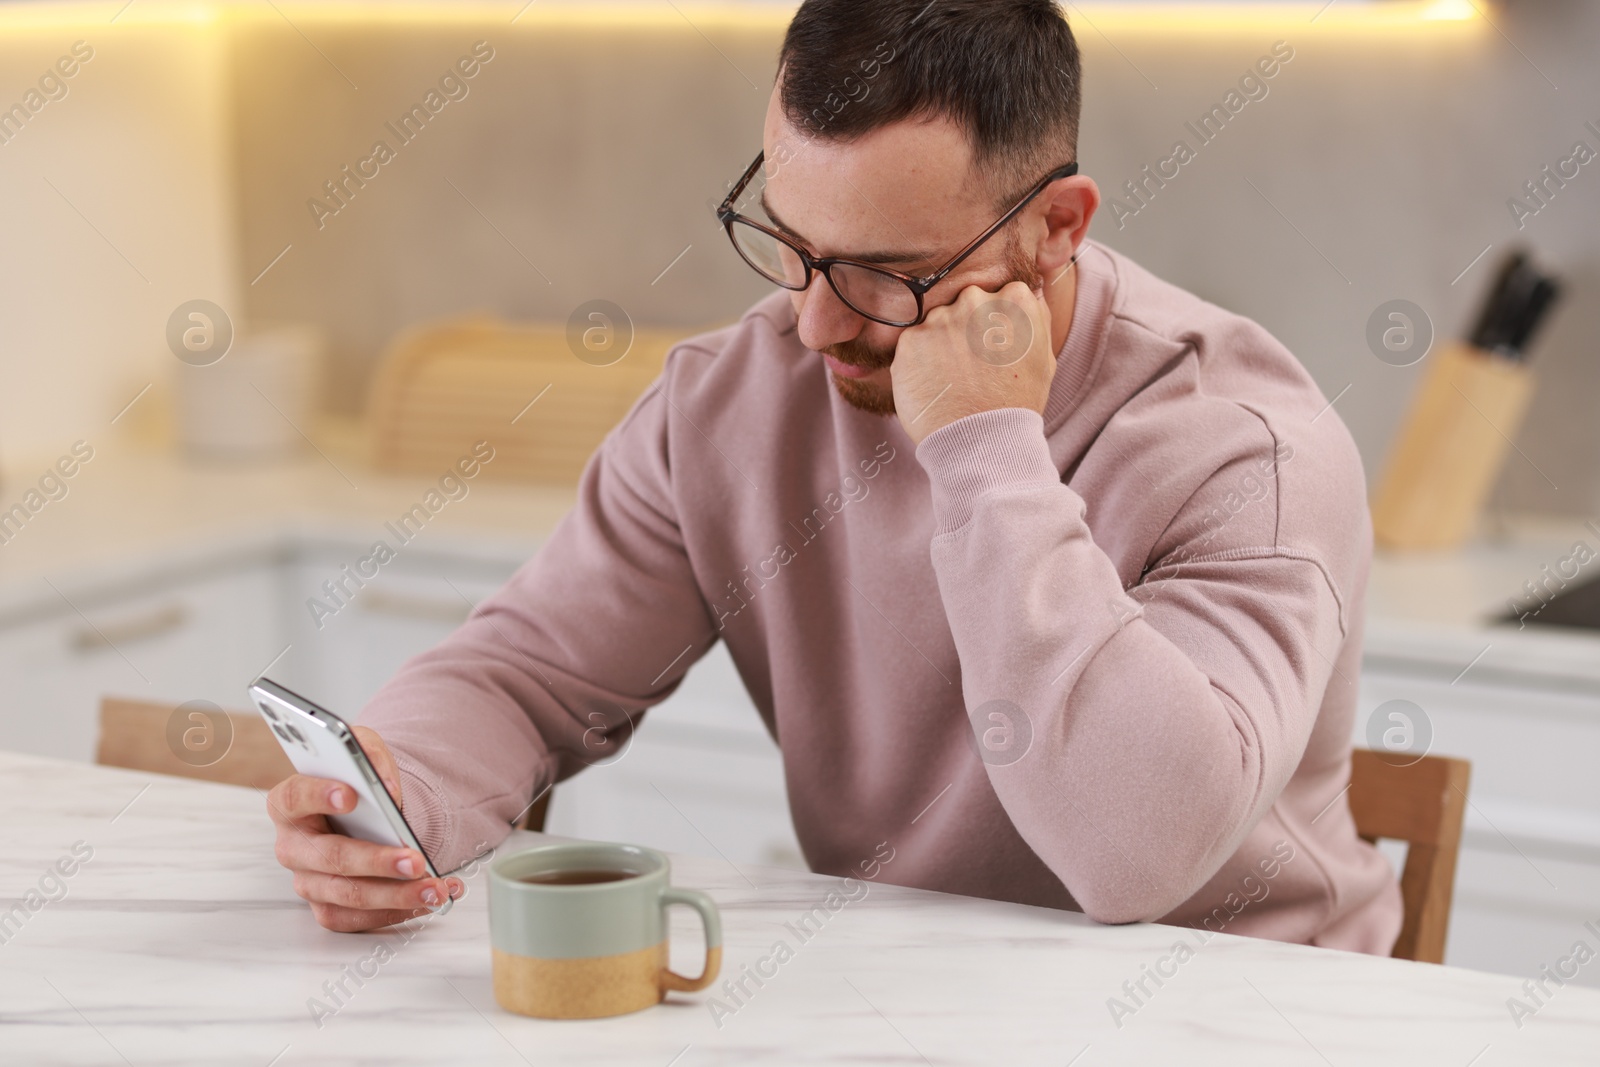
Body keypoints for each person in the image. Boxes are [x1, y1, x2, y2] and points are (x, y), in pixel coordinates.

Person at [268, 0, 1401, 952]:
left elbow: (1133, 857)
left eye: (886, 274)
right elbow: (527, 673)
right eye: (794, 245)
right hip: (911, 990)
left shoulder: (1247, 446)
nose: (812, 324)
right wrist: (400, 785)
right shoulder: (729, 400)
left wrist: (984, 448)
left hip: (1241, 1010)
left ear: (1057, 225)